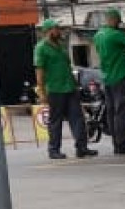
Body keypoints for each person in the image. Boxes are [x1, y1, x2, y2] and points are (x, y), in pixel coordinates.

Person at [34, 18, 96, 160]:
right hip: (54, 89)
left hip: (70, 88)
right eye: (55, 28)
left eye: (58, 28)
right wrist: (42, 92)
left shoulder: (61, 46)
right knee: (55, 121)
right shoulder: (41, 48)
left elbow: (67, 66)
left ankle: (82, 148)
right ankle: (54, 150)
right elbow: (39, 71)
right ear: (48, 31)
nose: (58, 31)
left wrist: (75, 84)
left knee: (78, 118)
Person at [94, 9, 125, 154]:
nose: (119, 24)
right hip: (119, 77)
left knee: (112, 112)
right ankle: (122, 144)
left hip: (107, 78)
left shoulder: (98, 35)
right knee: (122, 111)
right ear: (113, 20)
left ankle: (116, 144)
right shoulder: (115, 35)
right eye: (118, 21)